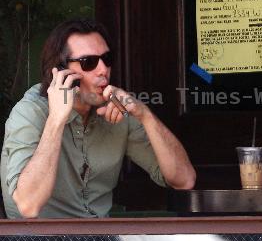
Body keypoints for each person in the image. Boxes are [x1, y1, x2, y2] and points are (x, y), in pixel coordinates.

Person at [1, 19, 196, 218]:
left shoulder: (115, 108)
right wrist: (56, 121)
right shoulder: (30, 112)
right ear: (61, 71)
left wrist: (145, 115)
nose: (103, 70)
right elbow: (28, 205)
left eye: (107, 58)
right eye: (89, 62)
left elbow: (183, 180)